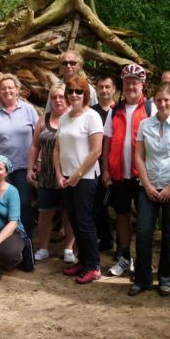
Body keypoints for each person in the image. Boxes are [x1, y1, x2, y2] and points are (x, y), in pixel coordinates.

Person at [129, 83, 170, 297]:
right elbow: (139, 156)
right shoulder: (145, 124)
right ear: (154, 102)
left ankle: (166, 279)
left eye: (167, 100)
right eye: (159, 100)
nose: (163, 103)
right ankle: (143, 279)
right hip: (148, 185)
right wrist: (146, 184)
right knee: (144, 231)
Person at [54, 76, 104, 284]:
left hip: (85, 178)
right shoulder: (65, 117)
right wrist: (59, 174)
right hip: (65, 178)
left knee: (84, 222)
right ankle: (83, 261)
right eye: (71, 91)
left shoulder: (92, 117)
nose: (74, 95)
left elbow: (96, 151)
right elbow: (57, 148)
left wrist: (77, 175)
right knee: (73, 221)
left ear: (85, 94)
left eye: (78, 91)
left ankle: (93, 266)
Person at [102, 64, 148, 276]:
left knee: (145, 219)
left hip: (143, 175)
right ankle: (124, 257)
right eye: (127, 82)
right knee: (121, 215)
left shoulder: (150, 109)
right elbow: (107, 142)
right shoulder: (115, 110)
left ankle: (143, 261)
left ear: (142, 85)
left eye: (135, 82)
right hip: (119, 173)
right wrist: (105, 170)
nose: (131, 86)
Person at [0, 73, 39, 238]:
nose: (7, 91)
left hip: (23, 166)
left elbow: (38, 136)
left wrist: (38, 161)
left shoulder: (28, 110)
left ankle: (26, 241)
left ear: (17, 89)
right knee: (2, 205)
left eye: (10, 87)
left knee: (23, 204)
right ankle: (6, 241)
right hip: (1, 169)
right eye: (3, 88)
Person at [26, 82, 76, 263]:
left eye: (61, 96)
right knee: (45, 212)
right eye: (54, 97)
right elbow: (34, 146)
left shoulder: (74, 118)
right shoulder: (44, 119)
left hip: (69, 174)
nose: (58, 100)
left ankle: (69, 248)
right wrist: (30, 168)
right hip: (46, 174)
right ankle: (44, 248)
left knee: (69, 212)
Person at [91, 75, 117, 253]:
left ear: (114, 89)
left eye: (108, 87)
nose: (104, 90)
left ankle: (122, 248)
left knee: (120, 208)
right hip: (97, 164)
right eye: (101, 87)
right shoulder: (91, 111)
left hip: (118, 163)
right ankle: (105, 239)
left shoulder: (120, 110)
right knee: (98, 205)